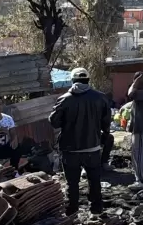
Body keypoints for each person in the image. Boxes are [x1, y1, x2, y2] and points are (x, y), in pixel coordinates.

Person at [48, 67, 111, 215]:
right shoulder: (100, 98)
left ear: (72, 80)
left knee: (72, 183)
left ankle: (72, 211)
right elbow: (106, 124)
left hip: (70, 149)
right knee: (94, 181)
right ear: (88, 80)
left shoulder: (64, 99)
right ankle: (96, 210)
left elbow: (54, 122)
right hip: (92, 148)